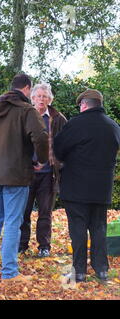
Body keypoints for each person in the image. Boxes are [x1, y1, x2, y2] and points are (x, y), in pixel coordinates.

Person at [0, 74, 48, 282]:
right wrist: (40, 160)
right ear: (27, 88)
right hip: (16, 174)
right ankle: (9, 273)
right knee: (12, 223)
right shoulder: (26, 110)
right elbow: (41, 137)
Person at [54, 89, 120, 283]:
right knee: (99, 227)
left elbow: (58, 149)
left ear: (83, 104)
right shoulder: (113, 126)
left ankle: (79, 271)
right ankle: (101, 270)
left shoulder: (75, 124)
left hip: (76, 187)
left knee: (78, 228)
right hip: (102, 187)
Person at [19, 83, 67, 258]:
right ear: (32, 98)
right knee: (22, 211)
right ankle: (21, 244)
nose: (41, 99)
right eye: (38, 96)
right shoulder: (23, 115)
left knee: (45, 213)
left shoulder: (57, 118)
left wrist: (59, 163)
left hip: (48, 174)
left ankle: (44, 246)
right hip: (26, 173)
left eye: (44, 96)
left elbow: (66, 142)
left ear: (50, 99)